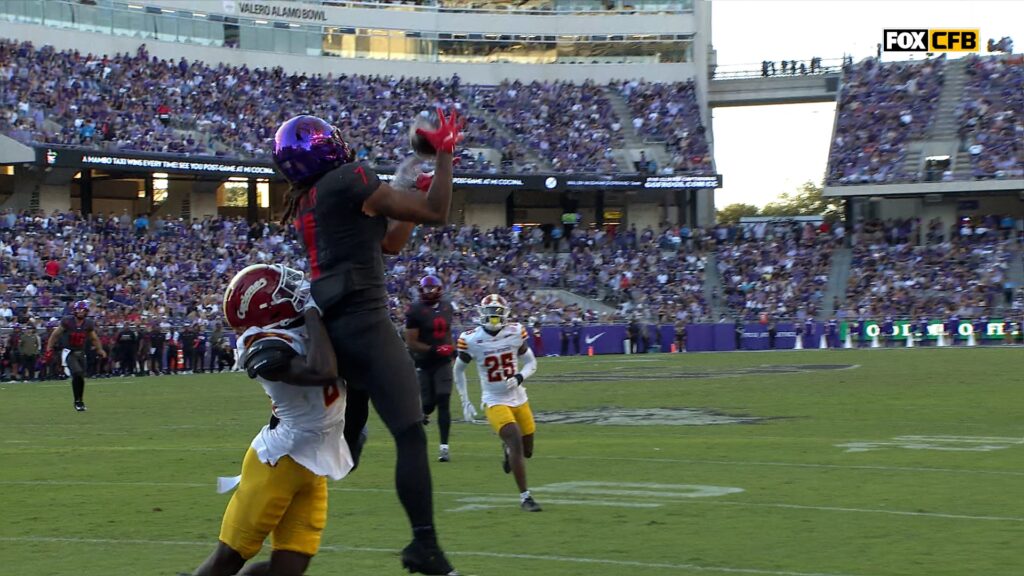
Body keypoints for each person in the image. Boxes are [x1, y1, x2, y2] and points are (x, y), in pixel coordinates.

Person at [272, 111, 462, 575]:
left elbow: (391, 243)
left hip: (333, 328)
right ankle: (425, 546)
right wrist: (446, 156)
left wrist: (411, 191)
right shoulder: (349, 177)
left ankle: (258, 518)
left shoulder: (313, 197)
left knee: (345, 450)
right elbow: (438, 212)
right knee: (410, 433)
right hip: (364, 320)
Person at [189, 264, 350, 576]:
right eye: (284, 291)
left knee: (287, 571)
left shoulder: (298, 326)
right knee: (228, 559)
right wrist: (314, 312)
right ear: (268, 305)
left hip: (315, 462)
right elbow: (322, 372)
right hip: (279, 462)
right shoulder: (262, 347)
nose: (297, 291)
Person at [453, 294, 542, 512]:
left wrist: (520, 377)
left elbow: (531, 362)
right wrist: (465, 400)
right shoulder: (471, 339)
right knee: (515, 442)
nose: (494, 318)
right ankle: (525, 498)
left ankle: (507, 452)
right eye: (490, 314)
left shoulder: (515, 332)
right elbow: (458, 370)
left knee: (527, 450)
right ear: (482, 315)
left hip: (519, 397)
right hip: (494, 400)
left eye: (497, 314)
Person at [404, 275, 456, 462]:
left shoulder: (447, 307)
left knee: (444, 398)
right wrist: (435, 349)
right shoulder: (415, 310)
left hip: (442, 362)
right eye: (426, 289)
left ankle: (444, 447)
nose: (429, 292)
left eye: (432, 288)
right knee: (428, 403)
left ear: (439, 289)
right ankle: (424, 412)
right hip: (424, 362)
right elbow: (411, 343)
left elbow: (448, 331)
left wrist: (451, 349)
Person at [43, 300, 106, 411]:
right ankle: (77, 401)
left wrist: (100, 349)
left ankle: (79, 400)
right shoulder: (67, 321)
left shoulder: (88, 324)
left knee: (80, 377)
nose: (80, 312)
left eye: (83, 310)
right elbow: (55, 334)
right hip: (69, 352)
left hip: (81, 353)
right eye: (78, 310)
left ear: (86, 311)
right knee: (77, 372)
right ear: (74, 311)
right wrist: (49, 349)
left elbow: (94, 338)